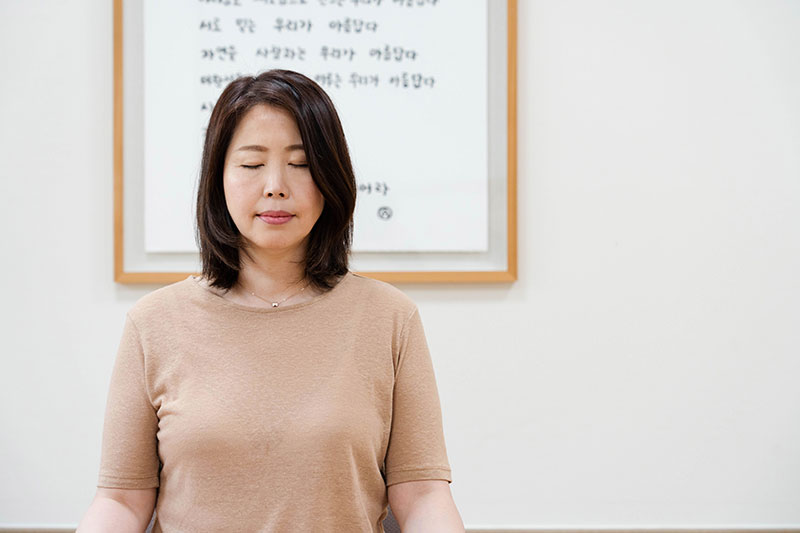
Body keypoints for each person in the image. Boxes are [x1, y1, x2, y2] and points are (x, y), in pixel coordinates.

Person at [77, 69, 464, 532]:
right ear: (218, 178)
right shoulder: (153, 322)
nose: (276, 185)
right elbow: (121, 499)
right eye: (251, 164)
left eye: (300, 164)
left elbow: (422, 495)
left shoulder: (390, 318)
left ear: (330, 177)